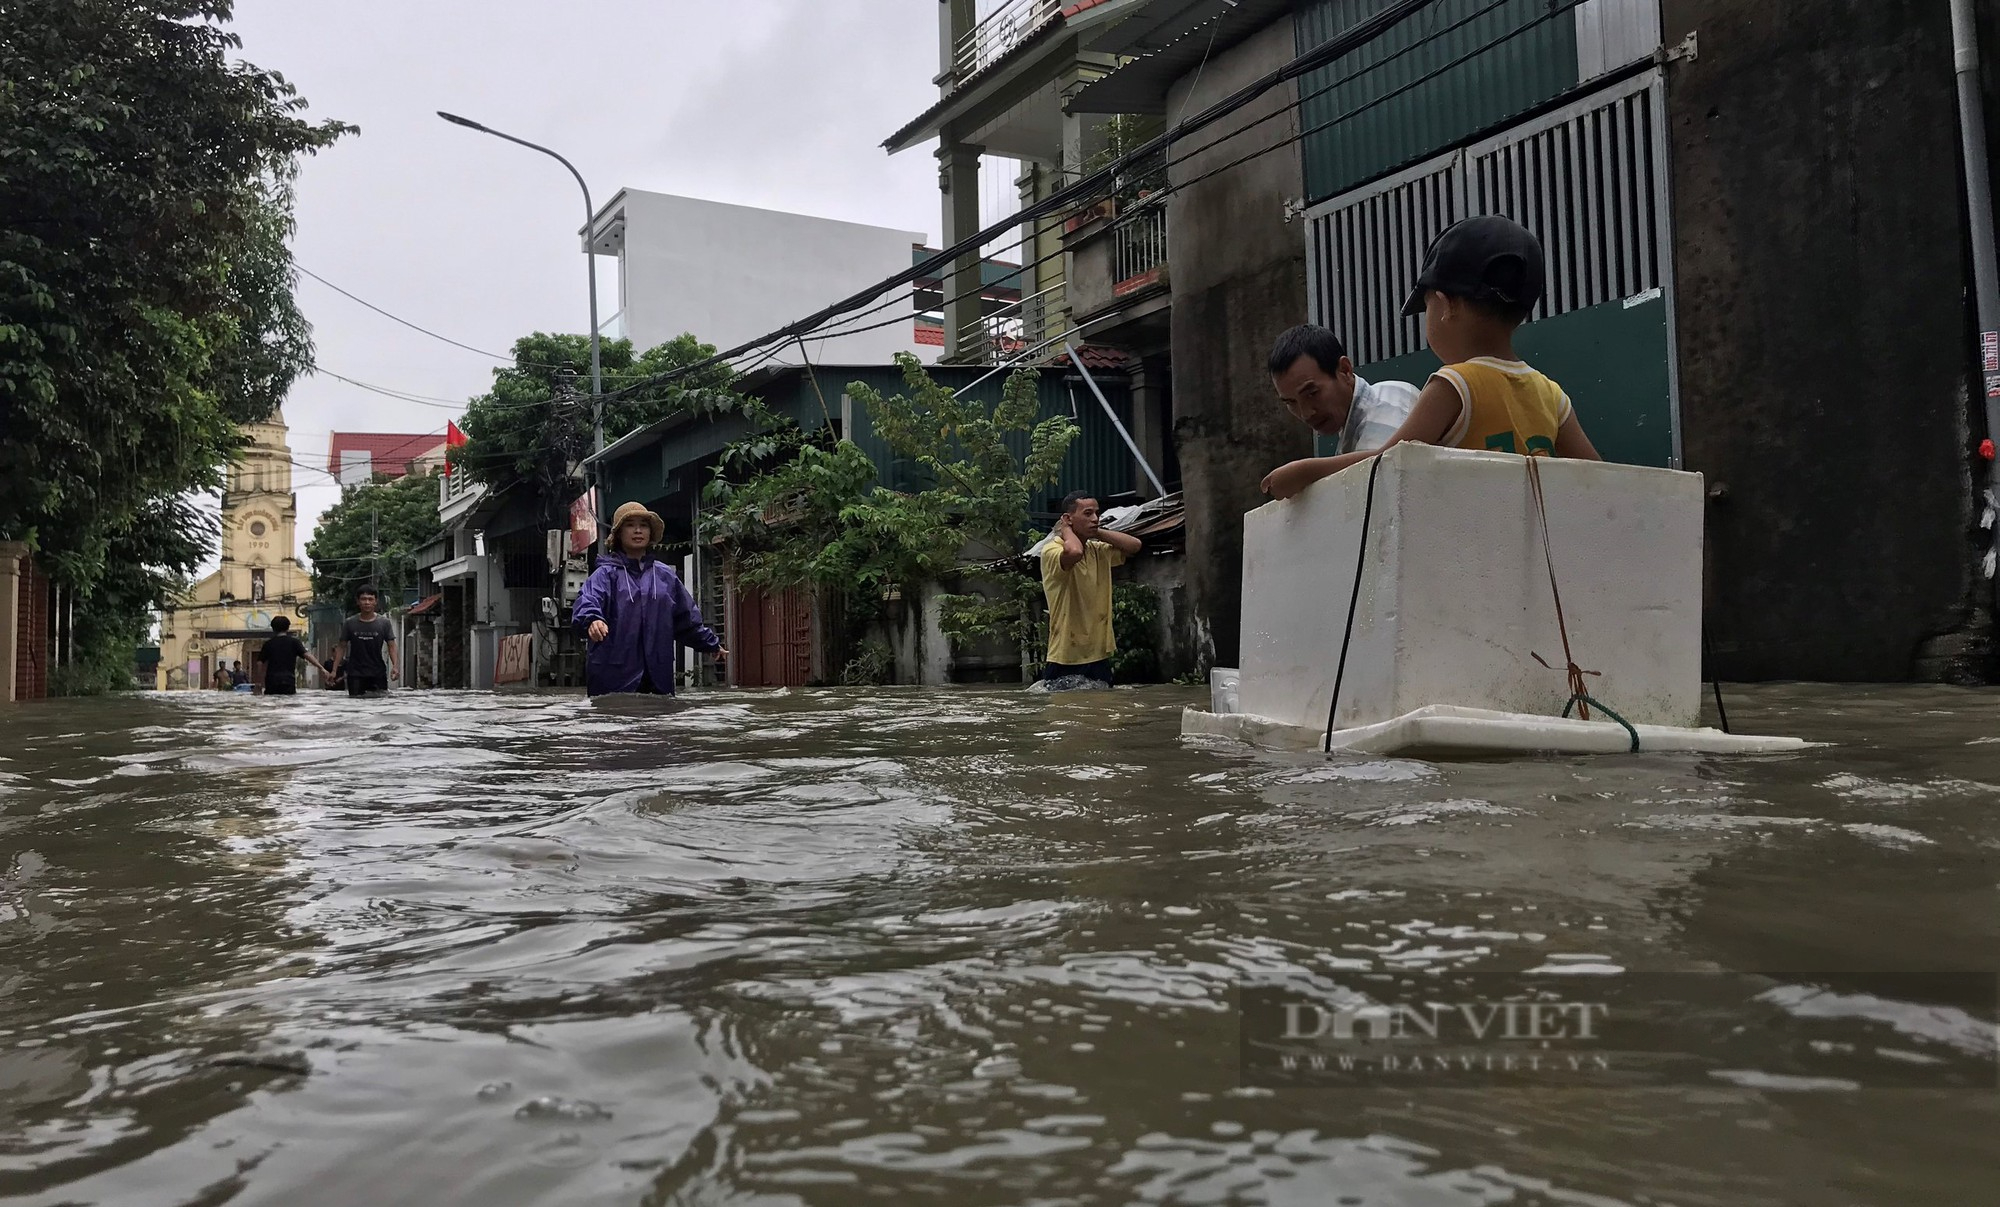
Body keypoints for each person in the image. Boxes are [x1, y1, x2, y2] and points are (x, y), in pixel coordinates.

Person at [1261, 215, 1601, 500]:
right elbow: (1599, 479)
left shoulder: (1453, 384)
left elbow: (1386, 463)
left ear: (1446, 304)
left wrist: (1306, 471)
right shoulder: (1551, 394)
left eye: (1427, 307)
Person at [574, 502, 726, 697]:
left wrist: (711, 643)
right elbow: (587, 601)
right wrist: (593, 620)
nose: (638, 530)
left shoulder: (665, 577)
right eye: (630, 525)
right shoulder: (605, 575)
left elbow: (686, 620)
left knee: (657, 724)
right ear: (619, 533)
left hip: (657, 677)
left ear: (650, 532)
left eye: (643, 525)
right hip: (613, 677)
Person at [1038, 492, 1144, 689]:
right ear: (1068, 519)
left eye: (1097, 513)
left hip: (1097, 654)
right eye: (1088, 514)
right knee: (1066, 717)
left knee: (1101, 715)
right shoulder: (1052, 551)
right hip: (1066, 656)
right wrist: (1066, 530)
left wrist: (1096, 532)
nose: (1095, 519)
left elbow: (1134, 546)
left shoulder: (1097, 550)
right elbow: (1074, 552)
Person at [1267, 323, 1420, 459]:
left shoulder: (1387, 406)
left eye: (1312, 393)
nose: (1306, 413)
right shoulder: (1354, 428)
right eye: (1291, 402)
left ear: (1345, 370)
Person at [329, 586, 398, 696]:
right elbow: (341, 646)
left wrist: (395, 666)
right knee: (356, 706)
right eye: (363, 599)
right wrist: (334, 670)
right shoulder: (350, 623)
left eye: (370, 599)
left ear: (376, 602)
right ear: (358, 601)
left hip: (377, 672)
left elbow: (391, 645)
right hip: (355, 673)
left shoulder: (384, 623)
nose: (367, 602)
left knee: (380, 704)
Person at [255, 616, 328, 697]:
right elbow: (307, 655)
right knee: (289, 704)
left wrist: (258, 683)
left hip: (272, 681)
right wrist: (322, 668)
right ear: (288, 628)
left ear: (273, 629)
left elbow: (259, 663)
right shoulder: (294, 642)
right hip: (288, 680)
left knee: (272, 704)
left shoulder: (268, 644)